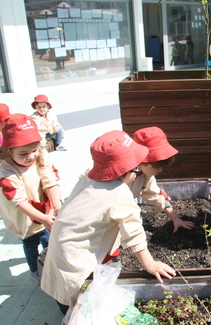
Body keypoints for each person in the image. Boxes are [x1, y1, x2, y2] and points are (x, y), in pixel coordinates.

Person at [41, 130, 176, 313]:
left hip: (61, 247)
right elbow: (134, 231)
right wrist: (149, 264)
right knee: (79, 308)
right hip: (76, 260)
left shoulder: (89, 179)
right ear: (128, 169)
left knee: (67, 292)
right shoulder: (118, 192)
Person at [0, 114, 62, 283]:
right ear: (8, 150)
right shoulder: (6, 171)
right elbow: (18, 200)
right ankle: (35, 270)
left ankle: (48, 264)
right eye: (23, 153)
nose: (30, 156)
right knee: (30, 242)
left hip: (44, 211)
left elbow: (50, 179)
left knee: (48, 240)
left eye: (34, 150)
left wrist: (57, 206)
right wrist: (43, 218)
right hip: (24, 218)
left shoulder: (40, 156)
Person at [132, 126, 195, 233]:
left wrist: (176, 219)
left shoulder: (146, 176)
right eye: (157, 167)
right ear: (141, 161)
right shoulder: (121, 179)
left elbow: (156, 197)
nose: (160, 170)